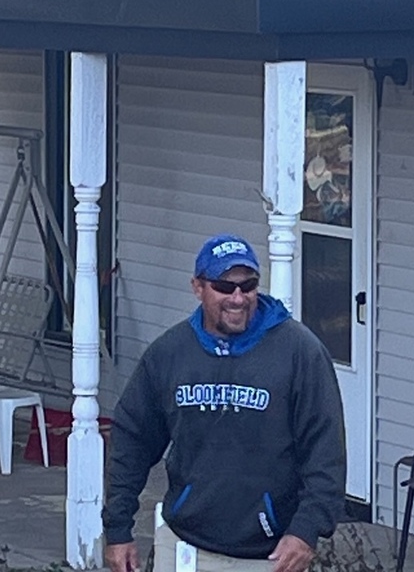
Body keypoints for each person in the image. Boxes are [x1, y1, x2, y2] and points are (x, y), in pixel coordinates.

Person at [103, 234, 346, 572]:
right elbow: (132, 441)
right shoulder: (169, 353)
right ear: (197, 287)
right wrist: (117, 529)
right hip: (184, 546)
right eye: (224, 286)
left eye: (248, 286)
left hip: (271, 555)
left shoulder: (300, 352)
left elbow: (326, 452)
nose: (238, 298)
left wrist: (305, 532)